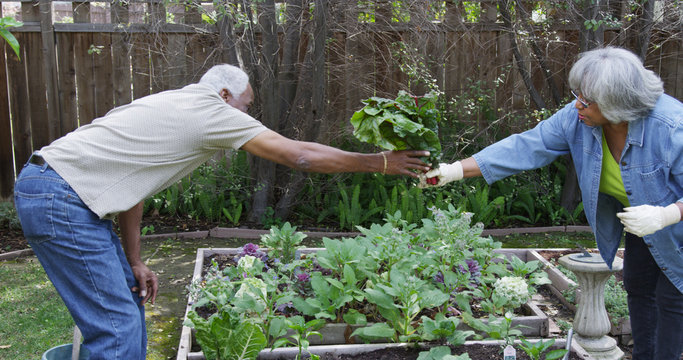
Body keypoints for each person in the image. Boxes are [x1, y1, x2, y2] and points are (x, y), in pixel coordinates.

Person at [13, 64, 430, 359]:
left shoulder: (170, 104)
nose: (247, 117)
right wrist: (379, 162)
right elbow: (299, 155)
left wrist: (134, 259)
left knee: (126, 301)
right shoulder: (211, 110)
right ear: (225, 95)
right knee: (117, 324)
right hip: (62, 197)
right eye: (246, 107)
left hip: (58, 191)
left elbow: (131, 188)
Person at [420, 47, 682, 359]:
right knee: (638, 287)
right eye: (578, 94)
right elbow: (528, 145)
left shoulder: (670, 127)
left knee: (673, 299)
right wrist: (455, 170)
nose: (577, 105)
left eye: (586, 100)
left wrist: (667, 214)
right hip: (645, 224)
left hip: (671, 221)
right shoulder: (578, 119)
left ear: (617, 103)